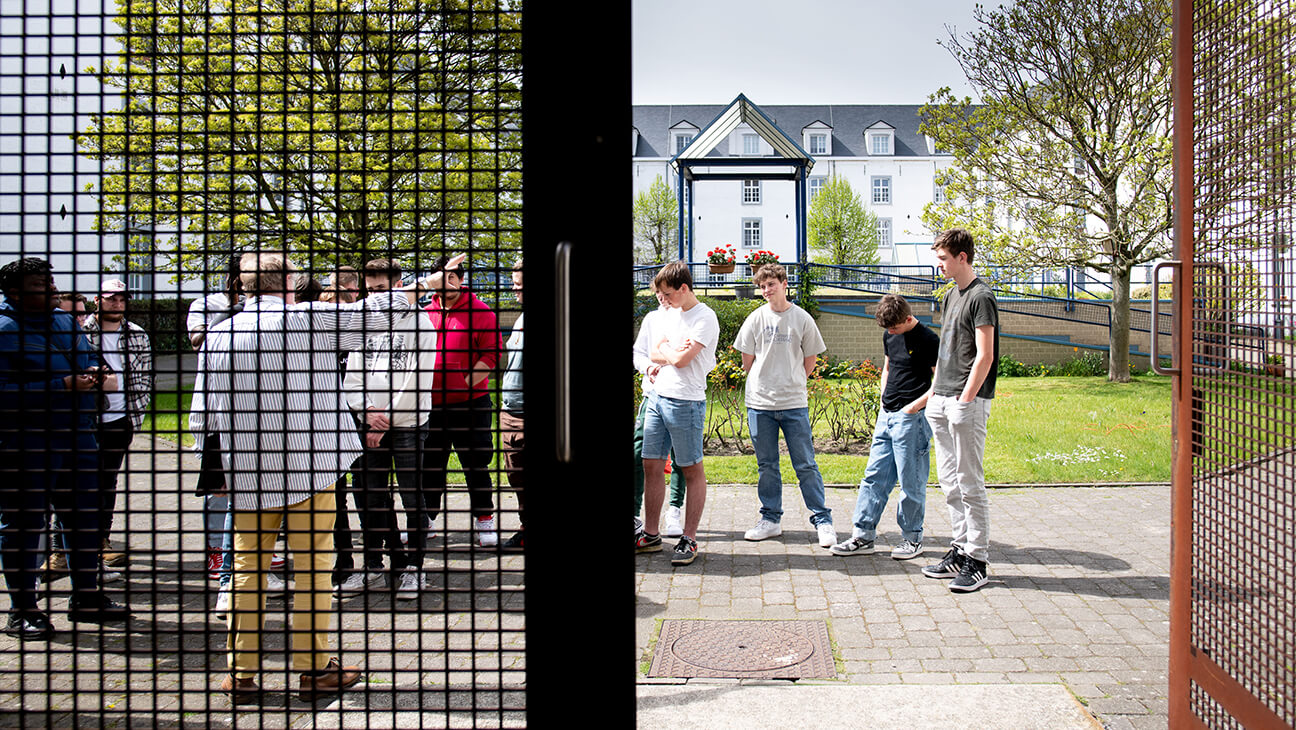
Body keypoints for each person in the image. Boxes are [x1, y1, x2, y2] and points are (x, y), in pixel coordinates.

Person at [191, 251, 460, 701]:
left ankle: (240, 673)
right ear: (290, 281)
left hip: (248, 473)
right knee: (313, 569)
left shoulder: (221, 333)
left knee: (245, 570)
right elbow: (378, 310)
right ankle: (314, 669)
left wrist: (212, 469)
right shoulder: (308, 320)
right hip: (309, 468)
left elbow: (204, 411)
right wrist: (429, 282)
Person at [0, 257, 130, 641]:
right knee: (24, 527)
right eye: (43, 284)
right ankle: (23, 609)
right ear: (16, 293)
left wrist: (96, 372)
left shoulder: (61, 321)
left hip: (77, 436)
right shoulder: (4, 330)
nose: (53, 288)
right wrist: (61, 387)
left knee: (84, 520)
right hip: (24, 443)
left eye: (52, 280)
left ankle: (86, 597)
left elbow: (87, 357)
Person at [187, 258, 285, 619]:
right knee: (232, 505)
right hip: (227, 430)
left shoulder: (272, 318)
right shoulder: (212, 312)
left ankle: (247, 572)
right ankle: (229, 577)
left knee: (249, 506)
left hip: (266, 429)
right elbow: (201, 360)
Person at [338, 258, 438, 599]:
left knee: (412, 498)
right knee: (369, 496)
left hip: (408, 424)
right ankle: (373, 566)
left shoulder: (421, 325)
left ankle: (415, 568)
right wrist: (366, 411)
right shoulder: (363, 323)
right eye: (369, 291)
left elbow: (416, 382)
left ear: (399, 287)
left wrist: (385, 420)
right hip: (367, 423)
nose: (374, 298)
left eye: (381, 290)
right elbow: (351, 375)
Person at [919, 228, 1000, 593]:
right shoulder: (952, 294)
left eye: (942, 258)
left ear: (961, 257)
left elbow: (985, 355)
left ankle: (978, 560)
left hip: (967, 401)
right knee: (950, 483)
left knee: (970, 482)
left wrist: (965, 400)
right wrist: (934, 394)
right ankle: (960, 549)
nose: (938, 264)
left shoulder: (981, 296)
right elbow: (947, 350)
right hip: (942, 398)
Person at [733, 263, 836, 548]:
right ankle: (770, 520)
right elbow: (747, 359)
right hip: (760, 404)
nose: (766, 290)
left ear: (783, 283)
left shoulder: (801, 319)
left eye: (771, 284)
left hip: (793, 404)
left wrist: (794, 380)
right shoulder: (755, 319)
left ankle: (823, 520)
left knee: (805, 464)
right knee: (767, 465)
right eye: (762, 286)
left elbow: (811, 357)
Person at [831, 293, 939, 559]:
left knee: (910, 482)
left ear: (909, 318)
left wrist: (913, 407)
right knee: (873, 478)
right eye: (888, 328)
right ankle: (863, 536)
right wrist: (882, 398)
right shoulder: (889, 334)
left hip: (912, 419)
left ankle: (912, 539)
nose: (892, 332)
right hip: (886, 415)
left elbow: (942, 382)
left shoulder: (929, 340)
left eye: (895, 327)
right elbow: (888, 367)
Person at [635, 261, 719, 567]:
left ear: (684, 289)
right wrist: (668, 349)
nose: (664, 300)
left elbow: (682, 360)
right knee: (651, 464)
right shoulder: (669, 314)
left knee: (690, 469)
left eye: (668, 294)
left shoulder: (704, 317)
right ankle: (652, 533)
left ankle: (689, 537)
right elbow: (653, 351)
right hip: (657, 397)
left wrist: (667, 349)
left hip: (686, 401)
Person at [421, 254, 503, 547]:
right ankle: (426, 521)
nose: (449, 281)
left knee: (475, 464)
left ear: (462, 278)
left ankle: (484, 521)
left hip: (472, 405)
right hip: (431, 407)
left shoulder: (481, 312)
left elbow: (491, 354)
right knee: (430, 465)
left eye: (454, 275)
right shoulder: (423, 313)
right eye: (443, 276)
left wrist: (465, 382)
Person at [80, 279, 154, 570]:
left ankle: (101, 539)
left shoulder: (137, 334)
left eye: (122, 299)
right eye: (111, 298)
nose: (117, 303)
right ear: (97, 299)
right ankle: (68, 544)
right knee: (80, 481)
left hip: (121, 420)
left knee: (107, 481)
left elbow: (145, 378)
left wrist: (135, 417)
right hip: (88, 419)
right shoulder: (81, 333)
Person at [632, 284, 687, 537]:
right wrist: (648, 367)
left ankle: (674, 510)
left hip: (681, 396)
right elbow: (640, 353)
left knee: (681, 458)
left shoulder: (686, 316)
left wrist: (663, 357)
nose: (662, 299)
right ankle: (634, 514)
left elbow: (687, 355)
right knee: (640, 454)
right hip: (651, 395)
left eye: (666, 294)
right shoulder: (652, 319)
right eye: (658, 294)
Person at [498, 260, 525, 549]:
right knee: (517, 476)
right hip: (511, 409)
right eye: (514, 283)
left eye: (520, 284)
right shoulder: (519, 319)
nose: (515, 290)